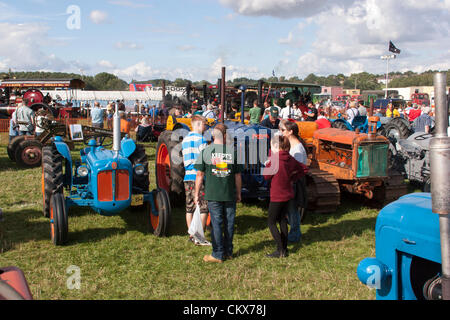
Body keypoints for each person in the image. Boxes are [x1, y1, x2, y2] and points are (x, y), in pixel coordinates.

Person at [194, 123, 243, 263]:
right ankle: (228, 252)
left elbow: (199, 175)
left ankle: (217, 254)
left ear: (213, 135)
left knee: (216, 223)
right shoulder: (233, 153)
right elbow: (238, 176)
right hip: (229, 194)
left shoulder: (206, 151)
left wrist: (196, 193)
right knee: (229, 223)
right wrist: (239, 193)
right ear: (225, 136)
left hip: (213, 194)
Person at [263, 134, 308, 258]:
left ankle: (280, 249)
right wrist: (292, 178)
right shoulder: (290, 158)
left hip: (277, 195)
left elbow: (266, 176)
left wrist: (268, 162)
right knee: (282, 220)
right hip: (288, 194)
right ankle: (285, 248)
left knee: (271, 222)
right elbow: (303, 169)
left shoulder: (275, 159)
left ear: (276, 146)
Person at [182, 115, 210, 245]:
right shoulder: (202, 140)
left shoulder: (185, 140)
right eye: (204, 124)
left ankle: (191, 233)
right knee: (203, 206)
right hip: (198, 176)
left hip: (187, 176)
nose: (205, 127)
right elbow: (205, 160)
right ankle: (199, 234)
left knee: (189, 206)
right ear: (198, 124)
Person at [280, 120, 308, 243]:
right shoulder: (294, 146)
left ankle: (295, 234)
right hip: (291, 181)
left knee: (292, 209)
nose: (281, 132)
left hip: (294, 182)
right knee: (290, 209)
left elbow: (296, 169)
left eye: (283, 130)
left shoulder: (297, 150)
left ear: (290, 132)